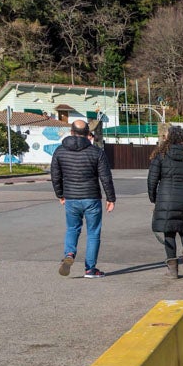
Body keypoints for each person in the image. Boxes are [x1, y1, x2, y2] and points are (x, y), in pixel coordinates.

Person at [50, 118, 115, 278]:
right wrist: (111, 198)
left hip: (71, 197)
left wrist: (60, 194)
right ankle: (90, 269)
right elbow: (105, 177)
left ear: (71, 132)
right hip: (91, 197)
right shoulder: (96, 152)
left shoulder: (59, 151)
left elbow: (55, 175)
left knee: (72, 228)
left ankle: (70, 254)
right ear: (87, 134)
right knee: (93, 232)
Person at [147, 125, 183, 278]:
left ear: (169, 138)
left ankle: (173, 270)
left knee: (169, 232)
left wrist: (153, 198)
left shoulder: (161, 154)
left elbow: (152, 180)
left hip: (165, 198)